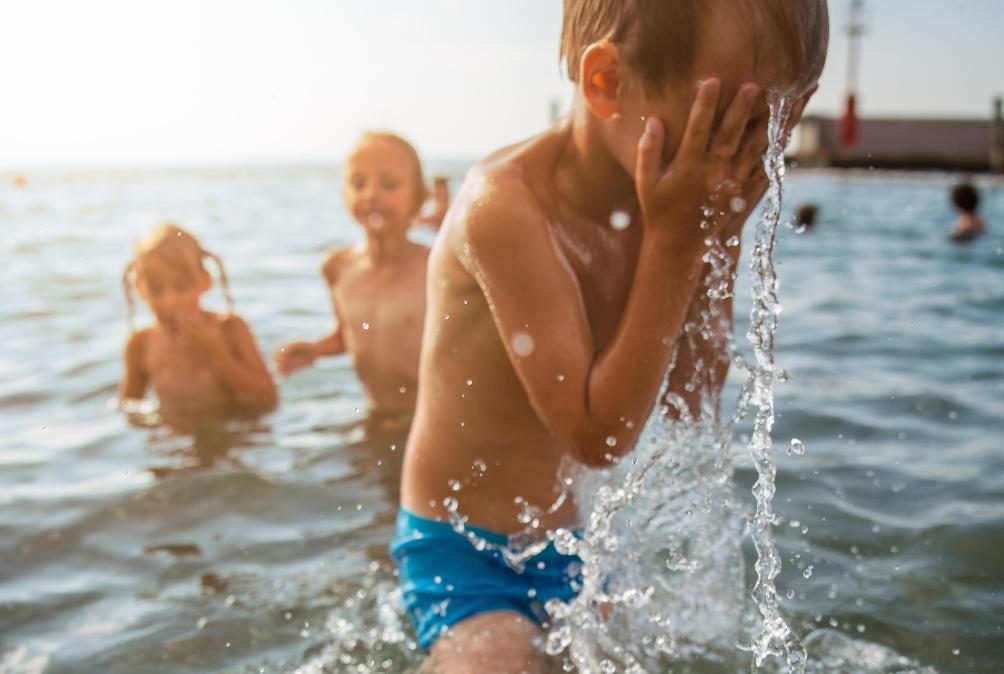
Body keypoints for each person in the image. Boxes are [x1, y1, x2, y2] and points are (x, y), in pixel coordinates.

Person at [391, 1, 829, 671]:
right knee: (500, 662)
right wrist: (679, 244)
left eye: (764, 137)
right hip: (464, 551)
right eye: (722, 132)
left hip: (573, 544)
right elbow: (595, 437)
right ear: (606, 84)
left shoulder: (665, 211)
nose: (736, 165)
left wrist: (720, 236)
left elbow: (691, 401)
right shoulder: (506, 208)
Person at [274, 132, 439, 414]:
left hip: (432, 423)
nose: (371, 195)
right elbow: (353, 335)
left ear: (420, 197)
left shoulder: (434, 268)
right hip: (376, 415)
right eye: (358, 183)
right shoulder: (338, 268)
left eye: (389, 184)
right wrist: (316, 350)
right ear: (344, 194)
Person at [120, 224, 278, 425]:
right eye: (156, 290)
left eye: (181, 286)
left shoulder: (230, 329)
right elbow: (129, 407)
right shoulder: (140, 344)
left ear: (205, 281)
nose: (170, 301)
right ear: (139, 288)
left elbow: (268, 397)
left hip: (234, 434)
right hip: (175, 442)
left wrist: (217, 354)